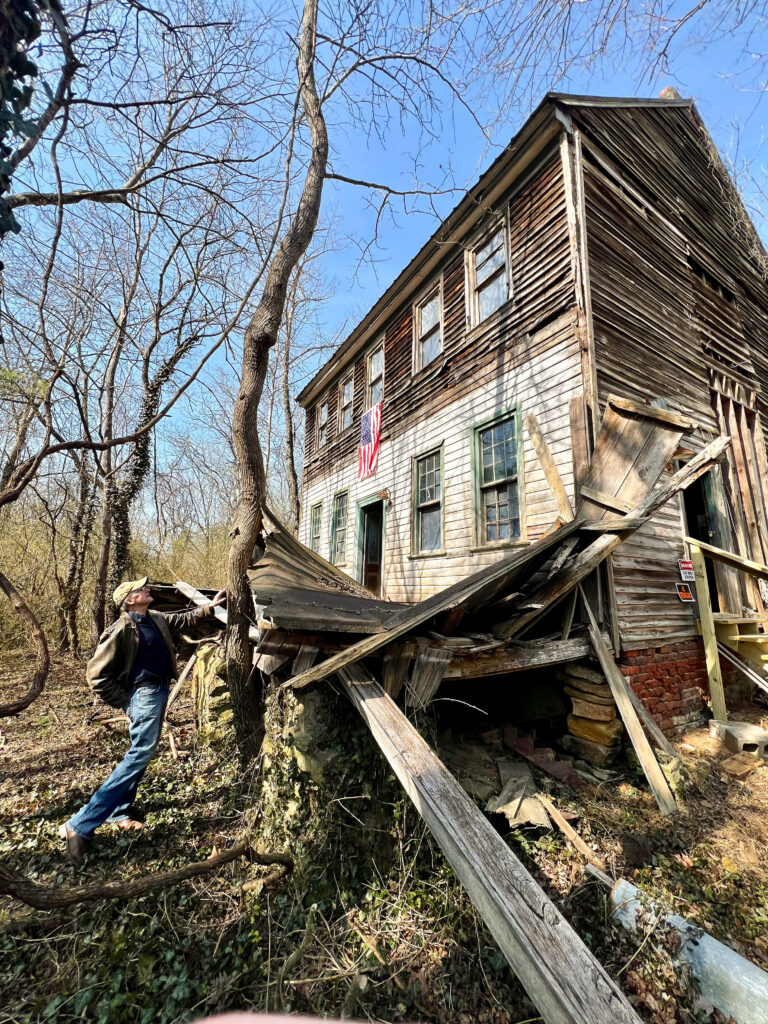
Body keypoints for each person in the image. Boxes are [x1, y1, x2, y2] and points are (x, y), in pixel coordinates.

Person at [60, 577, 226, 862]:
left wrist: (208, 608)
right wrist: (126, 702)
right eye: (140, 589)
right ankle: (79, 825)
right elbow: (96, 675)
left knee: (140, 754)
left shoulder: (155, 618)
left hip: (160, 690)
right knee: (139, 755)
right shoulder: (122, 628)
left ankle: (120, 813)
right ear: (129, 600)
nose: (147, 589)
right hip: (144, 694)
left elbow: (182, 620)